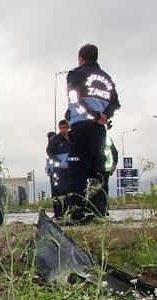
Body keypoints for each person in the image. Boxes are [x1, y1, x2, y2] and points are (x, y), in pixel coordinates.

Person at [64, 44, 120, 222]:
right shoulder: (106, 78)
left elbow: (75, 98)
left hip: (82, 128)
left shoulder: (75, 74)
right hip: (99, 130)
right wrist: (105, 115)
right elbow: (116, 103)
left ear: (81, 57)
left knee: (77, 172)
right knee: (97, 172)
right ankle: (98, 213)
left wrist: (95, 116)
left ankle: (77, 214)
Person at [46, 120, 70, 219]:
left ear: (68, 128)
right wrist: (59, 162)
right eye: (61, 128)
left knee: (70, 191)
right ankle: (59, 213)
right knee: (59, 191)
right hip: (59, 170)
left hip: (71, 169)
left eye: (64, 128)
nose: (63, 130)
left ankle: (69, 212)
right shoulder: (55, 140)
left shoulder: (72, 138)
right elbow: (50, 153)